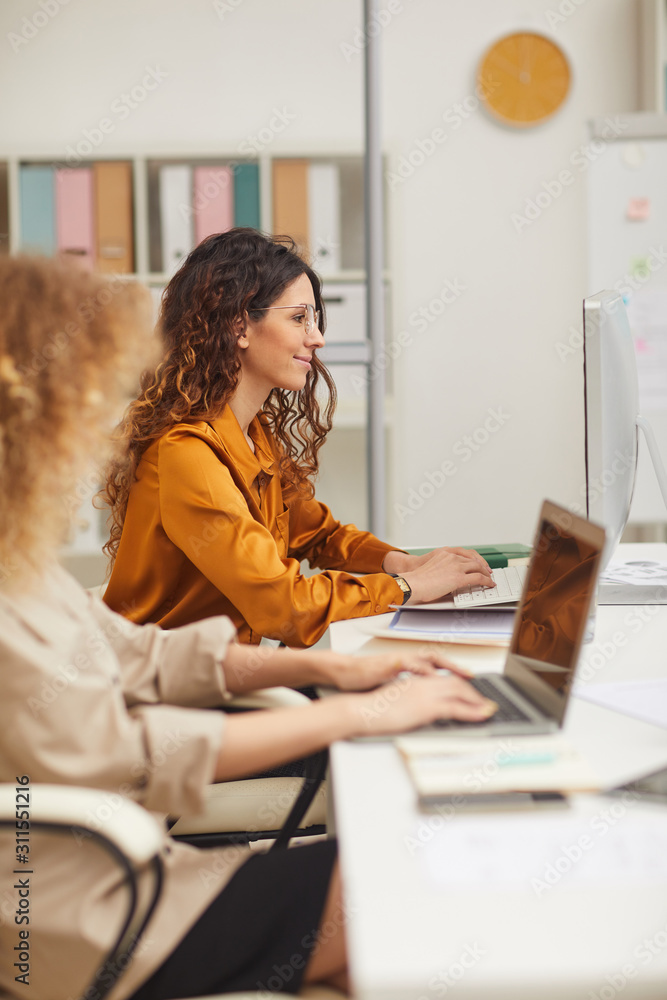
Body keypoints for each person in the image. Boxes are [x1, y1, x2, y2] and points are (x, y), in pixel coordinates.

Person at [0, 256, 497, 1000]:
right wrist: (353, 708)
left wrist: (333, 671)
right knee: (412, 889)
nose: (94, 432)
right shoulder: (175, 461)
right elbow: (129, 749)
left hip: (131, 865)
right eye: (81, 404)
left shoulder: (23, 562)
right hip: (90, 918)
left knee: (408, 873)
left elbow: (149, 655)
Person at [101, 228, 495, 646]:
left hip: (218, 673)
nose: (317, 337)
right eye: (298, 318)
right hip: (163, 692)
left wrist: (404, 563)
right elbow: (283, 606)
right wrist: (408, 588)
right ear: (240, 326)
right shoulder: (187, 453)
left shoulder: (252, 432)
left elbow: (316, 533)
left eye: (314, 319)